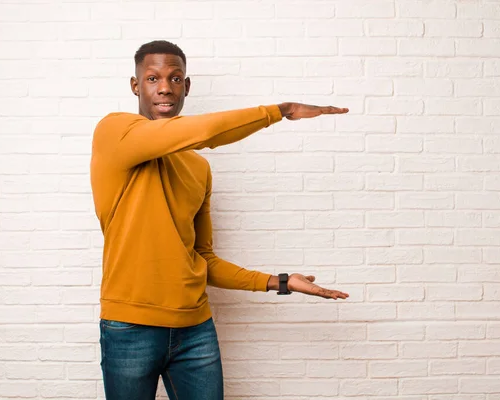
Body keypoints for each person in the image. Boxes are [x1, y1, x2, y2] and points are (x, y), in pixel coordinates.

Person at [90, 40, 350, 400]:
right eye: (152, 78)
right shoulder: (114, 131)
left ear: (186, 86)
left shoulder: (198, 167)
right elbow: (202, 132)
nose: (164, 87)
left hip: (195, 330)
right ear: (136, 85)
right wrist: (279, 110)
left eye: (175, 78)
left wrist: (282, 282)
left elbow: (202, 259)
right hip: (130, 327)